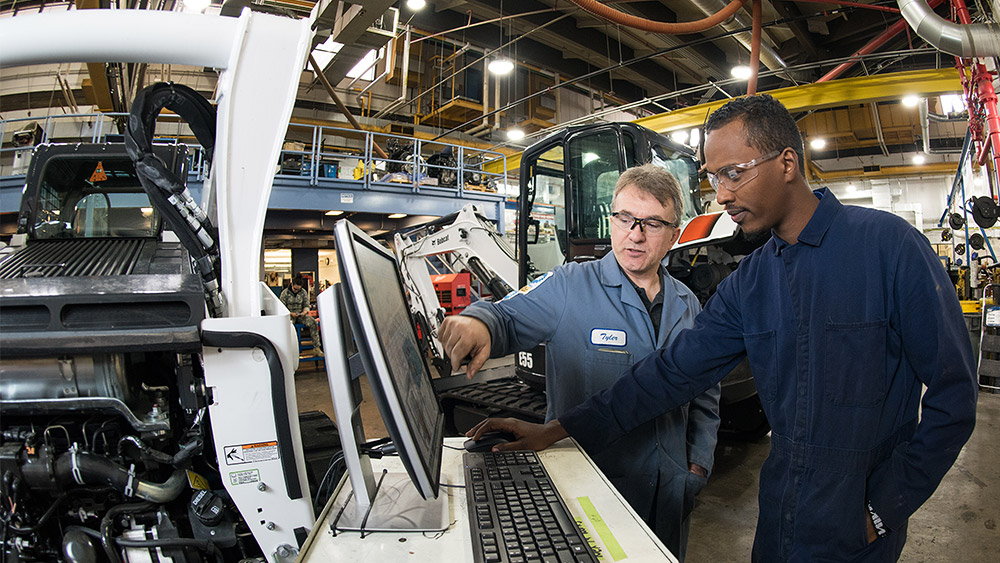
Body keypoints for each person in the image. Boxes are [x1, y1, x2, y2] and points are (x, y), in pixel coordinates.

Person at [465, 94, 979, 563]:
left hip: (857, 518)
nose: (722, 194)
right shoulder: (751, 282)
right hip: (779, 512)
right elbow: (668, 376)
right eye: (713, 177)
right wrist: (557, 430)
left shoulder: (889, 248)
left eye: (733, 173)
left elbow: (954, 394)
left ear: (786, 163)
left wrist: (887, 505)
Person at [439, 164, 721, 560]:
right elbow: (505, 316)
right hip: (592, 489)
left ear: (675, 233)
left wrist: (698, 465)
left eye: (652, 223)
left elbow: (706, 391)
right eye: (625, 219)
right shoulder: (570, 285)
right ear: (613, 220)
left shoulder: (688, 304)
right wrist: (477, 323)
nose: (635, 234)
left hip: (670, 493)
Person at [280, 274, 322, 356]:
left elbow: (306, 305)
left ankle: (316, 347)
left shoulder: (303, 292)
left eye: (298, 289)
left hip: (300, 315)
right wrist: (290, 313)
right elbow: (281, 308)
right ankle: (289, 350)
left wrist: (304, 312)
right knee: (286, 327)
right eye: (295, 289)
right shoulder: (285, 293)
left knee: (313, 322)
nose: (296, 291)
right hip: (289, 316)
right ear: (292, 285)